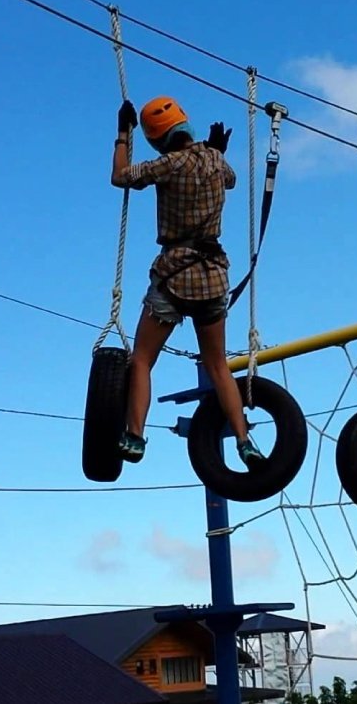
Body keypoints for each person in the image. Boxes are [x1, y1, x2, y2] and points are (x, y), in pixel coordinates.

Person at [109, 95, 266, 468]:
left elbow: (120, 176)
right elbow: (228, 179)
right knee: (218, 366)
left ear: (157, 137)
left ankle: (134, 436)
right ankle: (245, 441)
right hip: (213, 277)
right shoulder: (216, 161)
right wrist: (214, 149)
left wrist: (121, 134)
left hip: (175, 275)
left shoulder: (166, 165)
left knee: (143, 360)